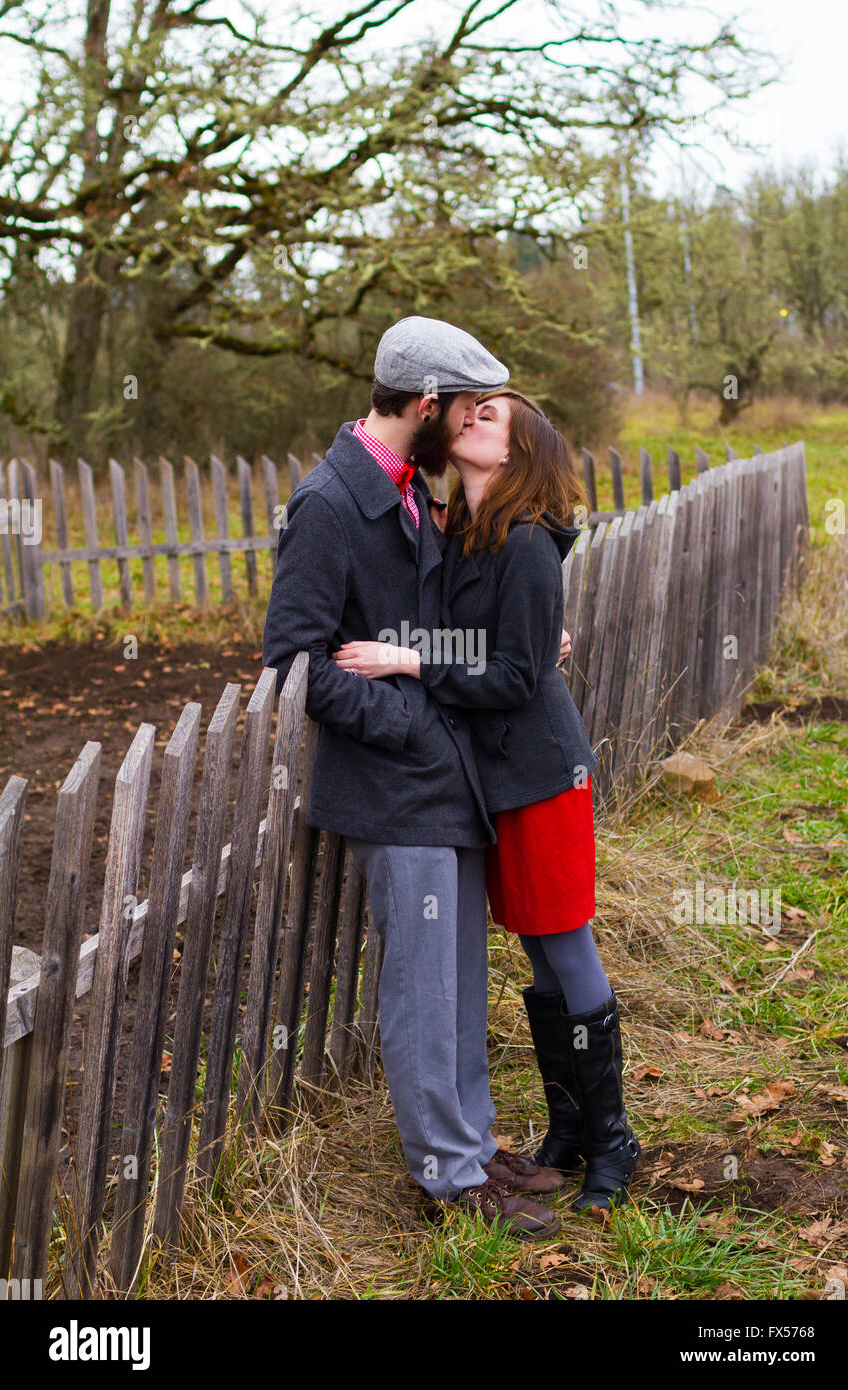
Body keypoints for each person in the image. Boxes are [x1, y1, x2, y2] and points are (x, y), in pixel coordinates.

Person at [263, 320, 565, 1241]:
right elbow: (294, 662)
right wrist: (414, 728)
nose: (477, 424)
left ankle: (470, 1144)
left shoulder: (406, 491)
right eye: (468, 410)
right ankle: (448, 1176)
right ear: (427, 406)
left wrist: (511, 647)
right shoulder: (330, 503)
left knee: (457, 979)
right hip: (396, 785)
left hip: (444, 777)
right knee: (423, 989)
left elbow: (427, 626)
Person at [334, 388, 643, 1212]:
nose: (472, 418)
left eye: (492, 417)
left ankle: (613, 1140)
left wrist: (409, 662)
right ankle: (571, 1126)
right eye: (471, 410)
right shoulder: (467, 533)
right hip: (497, 781)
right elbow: (499, 646)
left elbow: (510, 677)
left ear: (515, 453)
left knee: (566, 946)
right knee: (540, 955)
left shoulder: (529, 543)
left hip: (542, 774)